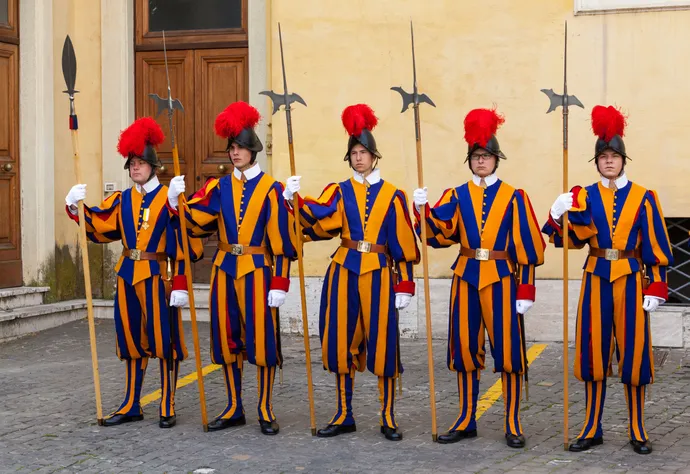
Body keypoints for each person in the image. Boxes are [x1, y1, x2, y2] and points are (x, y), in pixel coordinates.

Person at [283, 104, 420, 441]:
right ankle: (344, 413)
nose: (359, 158)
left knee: (384, 344)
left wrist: (405, 283)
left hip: (379, 272)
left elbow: (402, 239)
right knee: (341, 341)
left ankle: (387, 415)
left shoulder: (394, 195)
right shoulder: (340, 189)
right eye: (354, 153)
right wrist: (294, 200)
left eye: (364, 152)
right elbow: (322, 216)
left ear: (375, 156)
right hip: (343, 270)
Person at [542, 105, 673, 455]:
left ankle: (637, 428)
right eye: (604, 157)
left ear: (623, 160)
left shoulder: (645, 197)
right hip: (596, 276)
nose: (610, 161)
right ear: (597, 161)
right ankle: (591, 427)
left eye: (615, 156)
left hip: (631, 279)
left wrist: (657, 287)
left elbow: (656, 244)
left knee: (634, 354)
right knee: (593, 352)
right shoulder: (583, 195)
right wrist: (557, 216)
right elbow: (570, 241)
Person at [412, 108, 545, 448]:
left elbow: (528, 245)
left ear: (496, 159)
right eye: (476, 156)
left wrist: (526, 287)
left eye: (486, 156)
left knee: (509, 352)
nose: (481, 161)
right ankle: (466, 418)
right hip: (466, 276)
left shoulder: (515, 196)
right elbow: (438, 233)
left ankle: (512, 421)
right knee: (465, 350)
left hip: (502, 279)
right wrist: (423, 211)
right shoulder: (456, 195)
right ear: (469, 160)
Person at [168, 101, 296, 435]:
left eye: (240, 147)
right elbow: (195, 223)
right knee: (227, 339)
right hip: (224, 268)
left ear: (253, 150)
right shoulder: (218, 187)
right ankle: (233, 405)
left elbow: (280, 238)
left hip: (258, 270)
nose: (234, 153)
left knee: (262, 339)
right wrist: (175, 202)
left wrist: (281, 280)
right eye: (232, 147)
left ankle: (265, 408)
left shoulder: (272, 189)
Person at [65, 117, 202, 428]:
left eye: (140, 163)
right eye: (132, 164)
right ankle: (131, 403)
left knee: (163, 339)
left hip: (157, 275)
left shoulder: (170, 196)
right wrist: (75, 207)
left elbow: (186, 240)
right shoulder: (123, 199)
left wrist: (180, 281)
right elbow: (99, 226)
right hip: (127, 273)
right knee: (130, 340)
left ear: (153, 165)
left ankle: (167, 402)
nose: (135, 168)